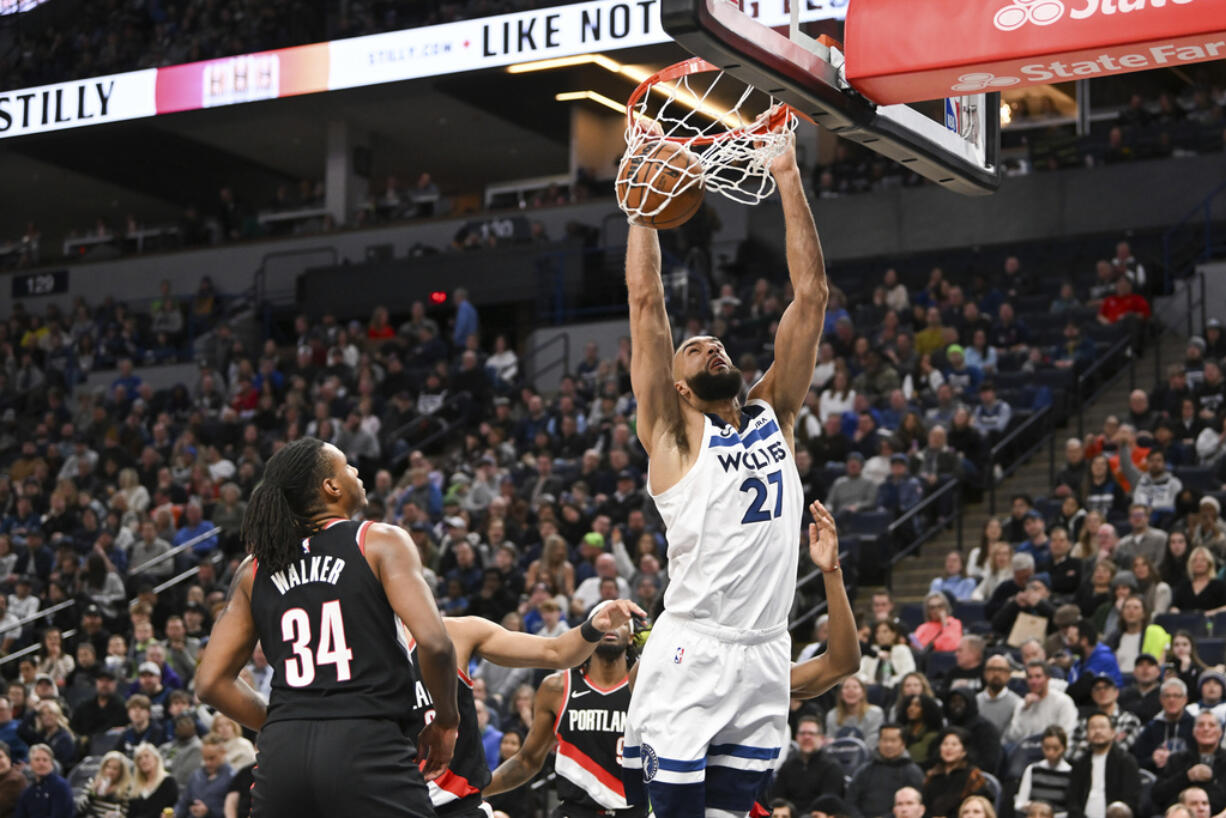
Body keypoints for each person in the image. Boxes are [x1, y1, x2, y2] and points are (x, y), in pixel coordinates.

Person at [620, 128, 835, 814]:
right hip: (695, 651)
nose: (708, 343)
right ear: (679, 388)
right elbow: (647, 307)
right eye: (692, 351)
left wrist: (786, 174)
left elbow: (812, 296)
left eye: (712, 342)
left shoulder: (776, 411)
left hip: (767, 649)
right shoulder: (671, 437)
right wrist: (642, 205)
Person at [195, 438, 460, 817]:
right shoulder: (378, 541)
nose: (356, 472)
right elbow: (435, 643)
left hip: (283, 757)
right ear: (331, 487)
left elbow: (209, 682)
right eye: (347, 466)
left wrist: (282, 724)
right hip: (367, 744)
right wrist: (447, 720)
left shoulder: (253, 569)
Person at [403, 598, 642, 814]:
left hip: (458, 805)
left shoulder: (459, 633)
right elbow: (527, 761)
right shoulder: (558, 687)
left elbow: (555, 650)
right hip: (396, 799)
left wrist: (593, 627)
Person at [483, 620, 644, 815]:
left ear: (630, 637)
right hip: (575, 810)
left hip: (631, 811)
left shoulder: (644, 688)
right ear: (589, 635)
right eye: (605, 621)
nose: (611, 627)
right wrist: (475, 790)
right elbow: (527, 761)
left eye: (620, 622)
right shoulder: (556, 688)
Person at [1066, 712, 1140, 818]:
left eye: (1102, 727)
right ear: (1086, 734)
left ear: (1113, 732)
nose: (1097, 731)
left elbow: (1131, 799)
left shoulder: (1126, 761)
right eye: (1093, 727)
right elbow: (1072, 799)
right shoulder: (1080, 763)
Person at [1151, 711, 1226, 813]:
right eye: (1200, 725)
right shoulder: (1177, 759)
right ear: (1193, 732)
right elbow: (1158, 795)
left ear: (1220, 732)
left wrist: (1209, 780)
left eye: (1211, 725)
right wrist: (1187, 776)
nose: (1206, 729)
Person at [769, 715, 845, 804]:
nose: (806, 737)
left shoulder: (832, 768)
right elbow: (777, 799)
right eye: (802, 733)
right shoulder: (787, 767)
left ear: (822, 738)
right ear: (796, 737)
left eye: (811, 733)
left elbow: (828, 805)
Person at [1069, 674, 1143, 761]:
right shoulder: (1083, 722)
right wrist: (1106, 742)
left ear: (1116, 692)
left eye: (1106, 687)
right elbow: (1071, 753)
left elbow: (1118, 753)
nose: (1102, 691)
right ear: (1092, 695)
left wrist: (1086, 744)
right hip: (1085, 768)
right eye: (1097, 688)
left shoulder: (1130, 720)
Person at [922, 727, 989, 818]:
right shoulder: (932, 775)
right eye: (945, 744)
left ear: (964, 751)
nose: (949, 748)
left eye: (954, 744)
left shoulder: (973, 775)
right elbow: (924, 806)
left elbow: (977, 806)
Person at [1132, 678, 1195, 773]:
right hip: (1158, 779)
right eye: (1167, 696)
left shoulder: (1195, 725)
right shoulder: (1152, 727)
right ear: (1161, 699)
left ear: (1185, 699)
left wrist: (1175, 759)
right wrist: (1152, 760)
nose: (1171, 700)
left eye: (1176, 696)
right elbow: (1138, 760)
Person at [1006, 661, 1078, 742]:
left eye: (1038, 676)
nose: (1034, 681)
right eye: (1030, 677)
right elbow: (1014, 737)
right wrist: (1025, 710)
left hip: (1054, 749)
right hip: (1027, 750)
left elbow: (1067, 733)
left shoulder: (1063, 701)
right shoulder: (1022, 704)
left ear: (1048, 678)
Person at [1015, 725, 1072, 817]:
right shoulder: (1033, 769)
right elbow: (1019, 804)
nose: (1050, 753)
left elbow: (1070, 810)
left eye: (1056, 748)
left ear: (1064, 748)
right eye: (1046, 748)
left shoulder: (1070, 773)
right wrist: (1034, 808)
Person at [175, 736, 231, 818]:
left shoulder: (232, 778)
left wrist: (208, 812)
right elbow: (183, 803)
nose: (207, 763)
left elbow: (233, 812)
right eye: (205, 758)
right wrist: (174, 814)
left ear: (223, 753)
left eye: (212, 758)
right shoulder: (196, 775)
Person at [15, 744, 71, 818]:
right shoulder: (27, 792)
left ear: (51, 764)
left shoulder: (61, 787)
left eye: (45, 760)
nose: (41, 763)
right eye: (37, 760)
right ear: (30, 764)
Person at [128, 743, 178, 818]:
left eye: (146, 756)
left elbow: (172, 810)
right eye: (139, 758)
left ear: (156, 758)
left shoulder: (168, 782)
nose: (143, 761)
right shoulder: (135, 786)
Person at [77, 750, 132, 818]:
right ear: (103, 767)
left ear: (121, 772)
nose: (110, 771)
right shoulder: (93, 782)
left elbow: (125, 814)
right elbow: (80, 808)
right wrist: (92, 793)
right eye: (108, 767)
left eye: (115, 768)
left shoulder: (126, 789)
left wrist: (117, 816)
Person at [978, 654, 1022, 735]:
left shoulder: (1017, 703)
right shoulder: (975, 702)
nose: (996, 673)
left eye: (1001, 669)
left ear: (1009, 675)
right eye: (992, 669)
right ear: (985, 674)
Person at [1120, 653, 1163, 723]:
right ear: (1134, 672)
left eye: (1150, 664)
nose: (1145, 668)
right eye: (1140, 664)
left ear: (1158, 672)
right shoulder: (1123, 695)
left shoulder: (1165, 695)